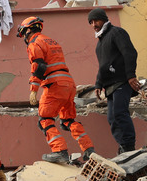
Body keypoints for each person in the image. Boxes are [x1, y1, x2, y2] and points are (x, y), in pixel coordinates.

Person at [17, 17, 95, 164]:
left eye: (23, 33)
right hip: (69, 84)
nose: (24, 38)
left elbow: (39, 66)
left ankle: (59, 151)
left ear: (28, 30)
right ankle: (89, 150)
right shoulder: (52, 41)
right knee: (67, 120)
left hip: (55, 85)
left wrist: (33, 89)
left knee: (45, 119)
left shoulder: (34, 43)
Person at [87, 8, 140, 153]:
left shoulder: (117, 33)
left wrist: (130, 75)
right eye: (91, 22)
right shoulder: (99, 45)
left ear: (104, 19)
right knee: (111, 117)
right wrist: (98, 84)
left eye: (96, 20)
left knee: (119, 112)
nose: (94, 24)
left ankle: (129, 146)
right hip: (110, 86)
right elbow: (103, 66)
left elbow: (129, 53)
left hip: (122, 81)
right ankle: (123, 146)